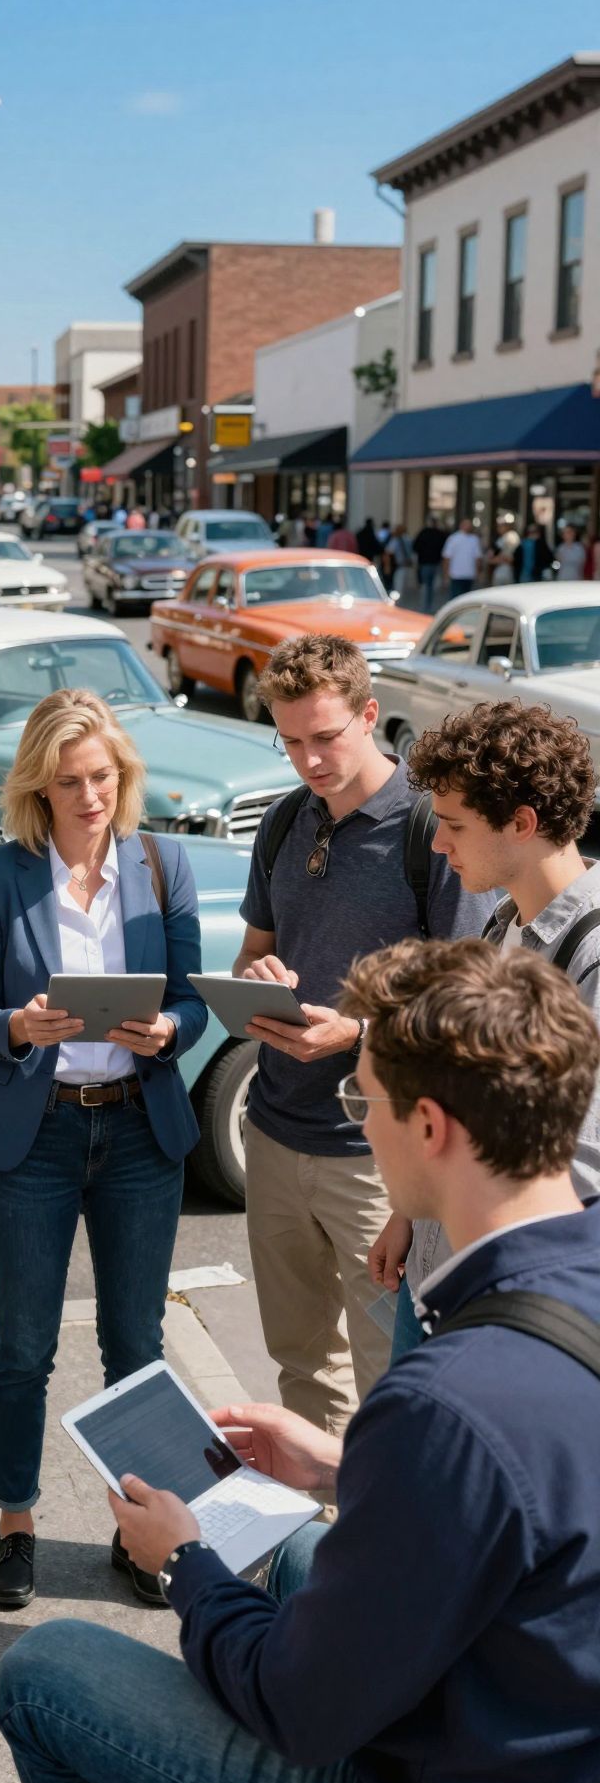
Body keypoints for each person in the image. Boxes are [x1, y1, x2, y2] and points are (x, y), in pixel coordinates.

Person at [0, 937, 600, 1783]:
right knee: (302, 1553)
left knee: (43, 1674)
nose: (358, 1120)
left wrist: (183, 1561)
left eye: (365, 1100)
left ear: (433, 1128)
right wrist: (339, 1465)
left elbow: (301, 1713)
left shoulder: (451, 1396)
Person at [0, 692, 208, 1611]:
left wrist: (169, 1030)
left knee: (135, 1344)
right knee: (23, 1344)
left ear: (122, 777)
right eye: (70, 783)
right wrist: (19, 1026)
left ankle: (138, 1529)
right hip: (38, 1134)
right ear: (40, 788)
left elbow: (190, 997)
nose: (90, 796)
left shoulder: (162, 860)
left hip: (140, 1127)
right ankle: (15, 1521)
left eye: (102, 777)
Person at [232, 634, 492, 1432]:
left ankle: (387, 1542)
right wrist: (255, 982)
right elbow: (253, 953)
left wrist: (357, 1032)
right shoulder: (282, 823)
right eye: (291, 742)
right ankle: (320, 1543)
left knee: (395, 1377)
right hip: (275, 1138)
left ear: (370, 715)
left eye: (326, 737)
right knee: (302, 1365)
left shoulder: (430, 833)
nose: (309, 761)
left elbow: (471, 1004)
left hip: (377, 1157)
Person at [372, 699, 600, 1359]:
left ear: (521, 824)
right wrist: (409, 1215)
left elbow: (580, 1169)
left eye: (454, 825)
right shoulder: (501, 925)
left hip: (500, 1303)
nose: (439, 845)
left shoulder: (590, 958)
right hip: (437, 1272)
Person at [441, 516, 482, 597]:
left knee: (465, 598)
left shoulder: (474, 539)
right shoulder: (453, 538)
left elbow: (478, 558)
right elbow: (447, 558)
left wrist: (477, 573)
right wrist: (446, 574)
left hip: (469, 574)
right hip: (456, 574)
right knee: (456, 597)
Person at [412, 515, 446, 609]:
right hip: (434, 562)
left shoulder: (423, 533)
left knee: (426, 584)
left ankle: (425, 605)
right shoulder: (440, 534)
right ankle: (428, 605)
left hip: (425, 562)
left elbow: (415, 547)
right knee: (431, 585)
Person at [483, 517, 519, 587]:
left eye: (501, 526)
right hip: (501, 569)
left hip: (507, 571)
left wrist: (495, 559)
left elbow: (510, 558)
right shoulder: (503, 537)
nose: (498, 528)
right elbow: (490, 556)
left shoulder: (510, 535)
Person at [383, 523, 414, 597]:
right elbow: (387, 553)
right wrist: (387, 566)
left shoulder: (406, 539)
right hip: (399, 566)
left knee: (403, 587)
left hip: (405, 565)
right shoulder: (396, 540)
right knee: (398, 588)